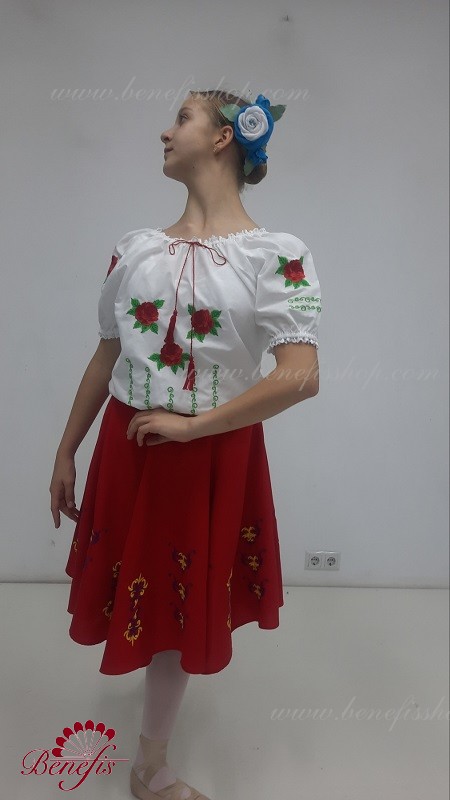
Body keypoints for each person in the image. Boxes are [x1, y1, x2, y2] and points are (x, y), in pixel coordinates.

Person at [49, 88, 322, 800]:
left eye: (182, 119)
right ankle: (150, 763)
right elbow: (107, 354)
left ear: (225, 137)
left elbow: (300, 375)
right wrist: (66, 449)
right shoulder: (135, 248)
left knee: (179, 608)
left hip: (210, 454)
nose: (164, 133)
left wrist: (197, 426)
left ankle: (149, 765)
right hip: (129, 446)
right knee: (146, 597)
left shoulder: (276, 254)